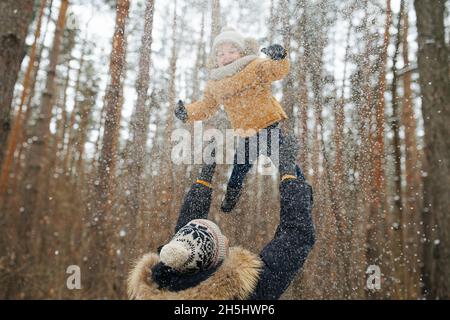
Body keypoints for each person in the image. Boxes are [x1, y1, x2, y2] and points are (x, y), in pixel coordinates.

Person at [127, 136, 315, 300]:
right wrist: (290, 176)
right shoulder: (243, 291)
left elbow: (186, 245)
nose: (226, 239)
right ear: (213, 261)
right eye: (220, 241)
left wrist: (204, 180)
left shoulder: (157, 283)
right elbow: (296, 235)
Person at [174, 27, 297, 213]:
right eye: (221, 54)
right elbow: (207, 106)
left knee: (286, 165)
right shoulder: (216, 83)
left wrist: (279, 57)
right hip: (246, 134)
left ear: (241, 52)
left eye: (232, 51)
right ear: (215, 59)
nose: (227, 56)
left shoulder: (254, 66)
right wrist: (187, 113)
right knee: (238, 170)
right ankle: (231, 195)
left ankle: (300, 188)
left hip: (269, 127)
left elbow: (275, 70)